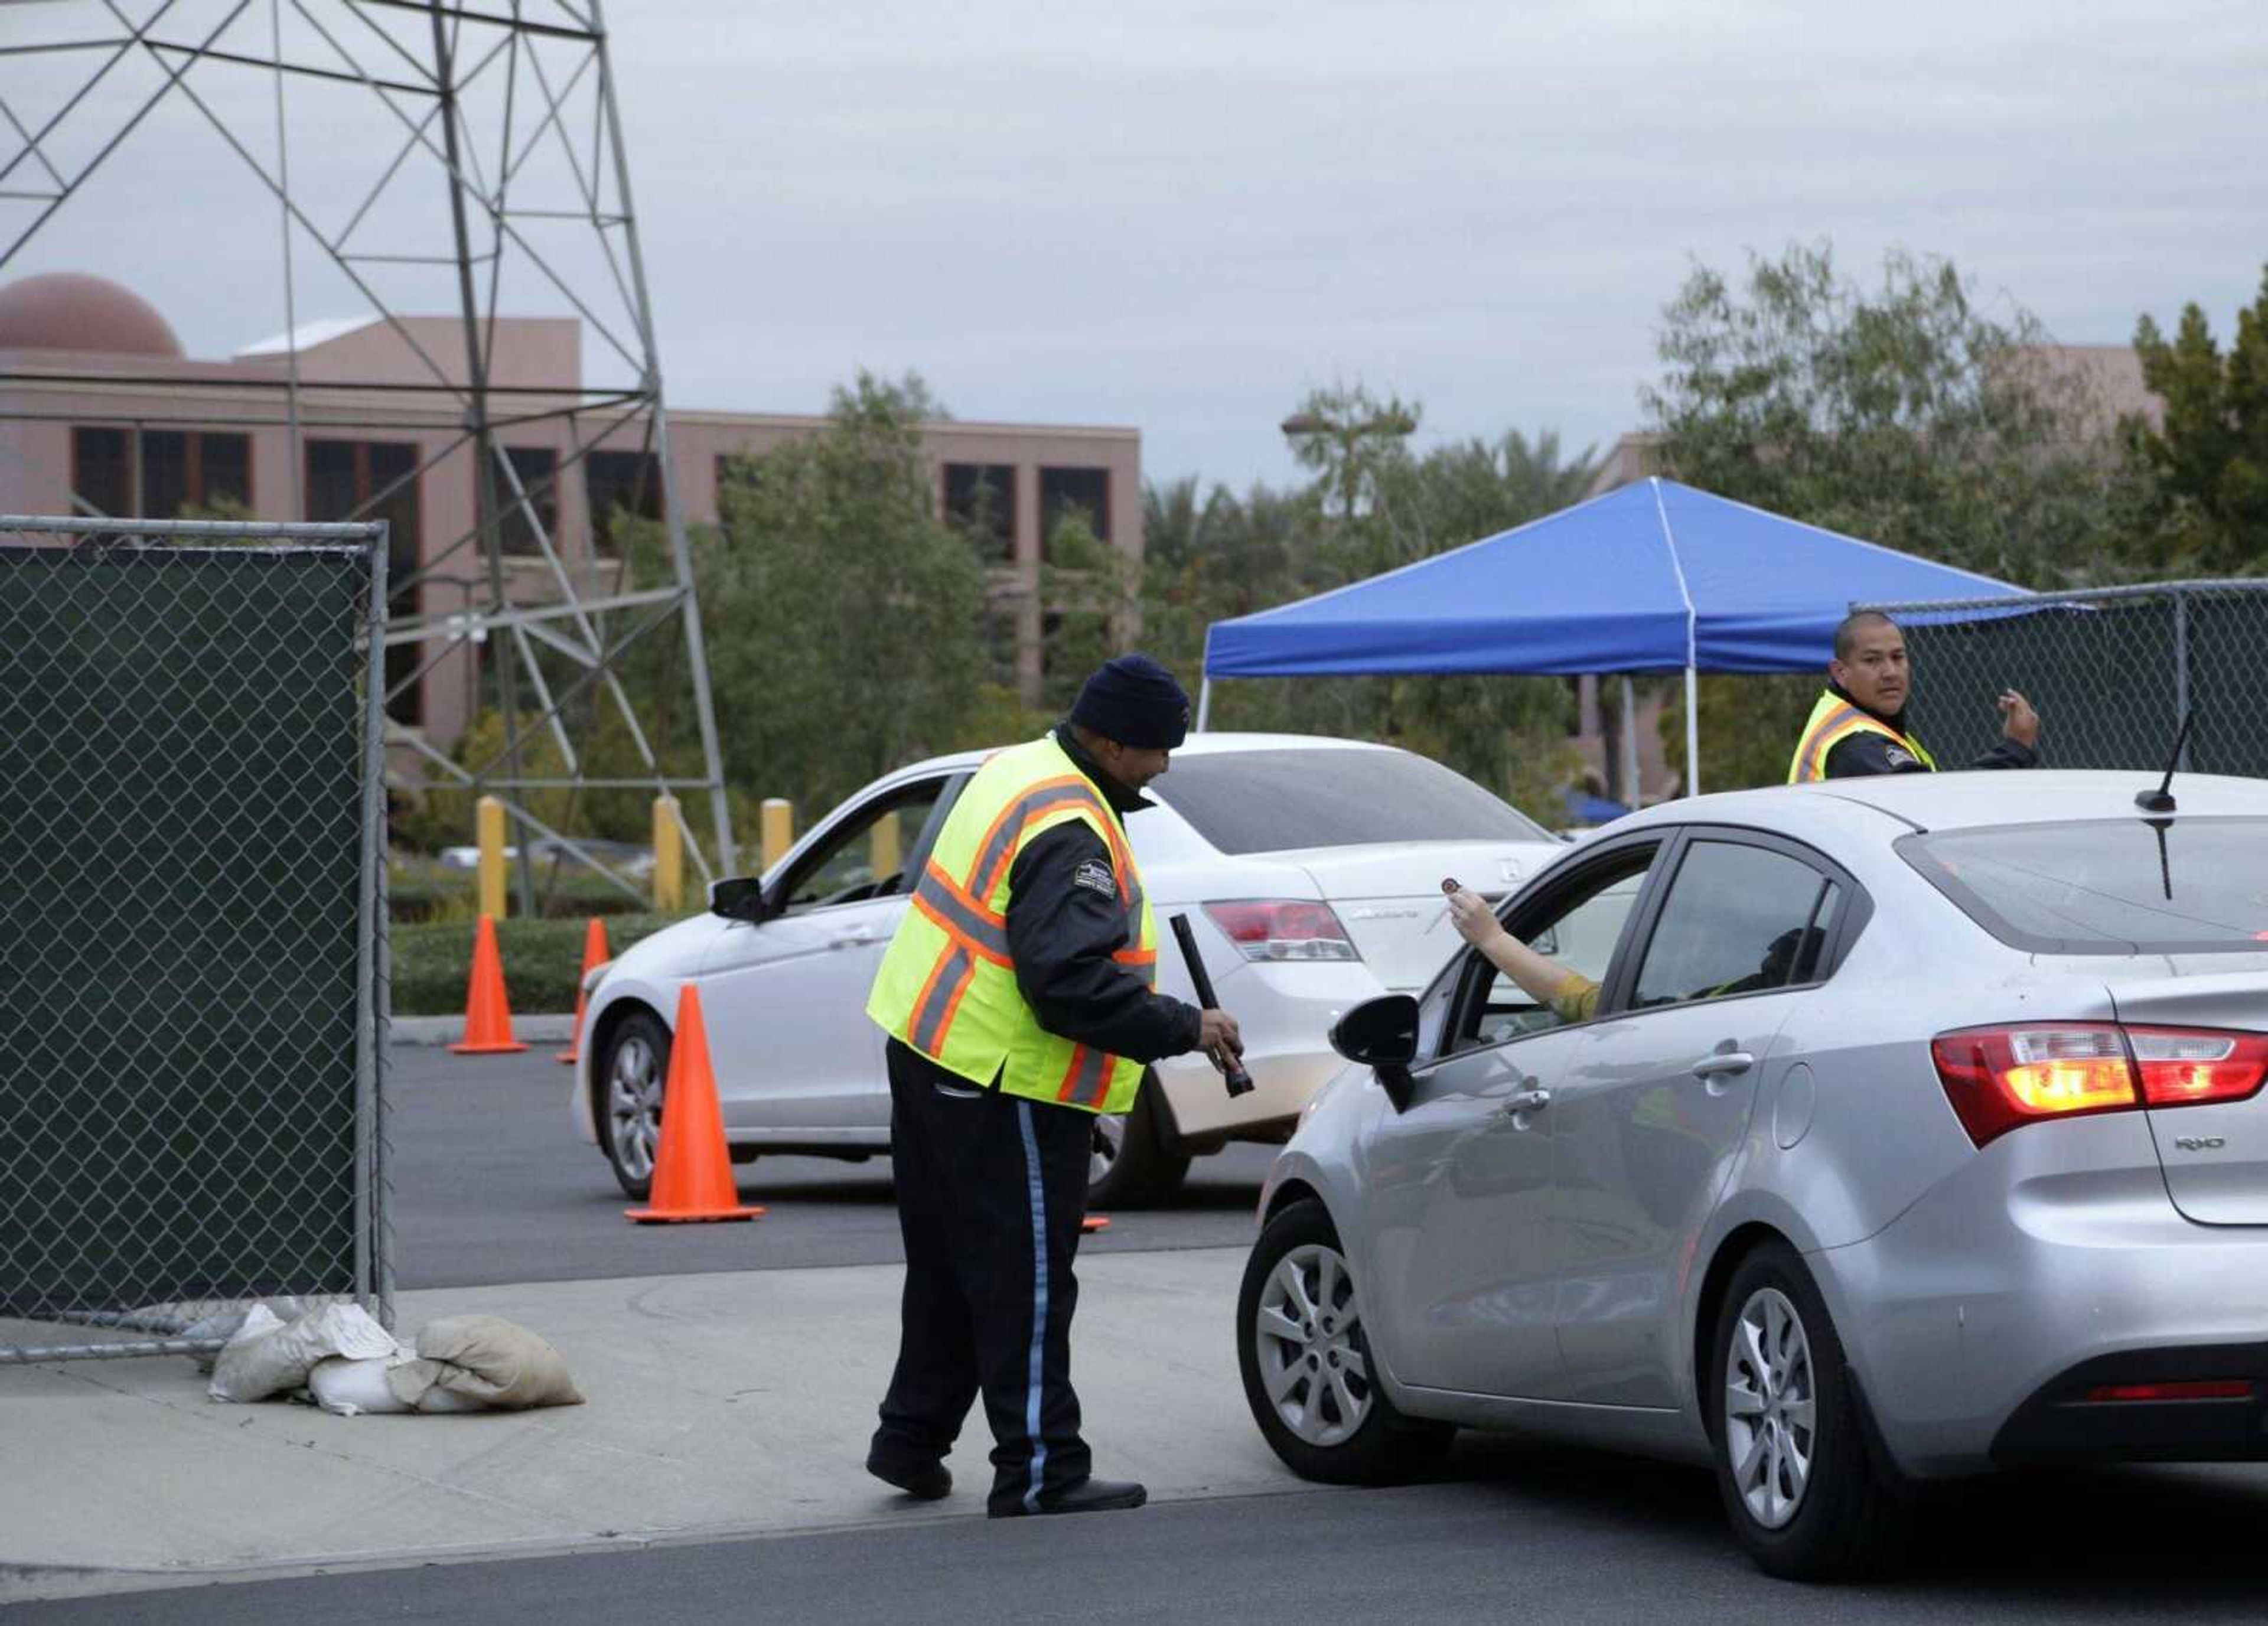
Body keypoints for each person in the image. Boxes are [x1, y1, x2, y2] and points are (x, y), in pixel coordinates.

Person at [861, 652, 1243, 1519]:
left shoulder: (1017, 769)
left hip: (932, 1053)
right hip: (1004, 1081)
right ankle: (1041, 1468)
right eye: (1154, 750)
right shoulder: (1072, 829)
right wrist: (1187, 1025)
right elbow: (1065, 982)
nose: (1163, 766)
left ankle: (911, 1440)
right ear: (1109, 743)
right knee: (1026, 1280)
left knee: (952, 1269)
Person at [1787, 610, 2041, 782]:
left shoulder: (1861, 722)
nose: (1890, 672)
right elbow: (1940, 805)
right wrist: (2016, 749)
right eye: (1872, 660)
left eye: (1898, 657)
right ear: (1841, 673)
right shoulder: (1856, 742)